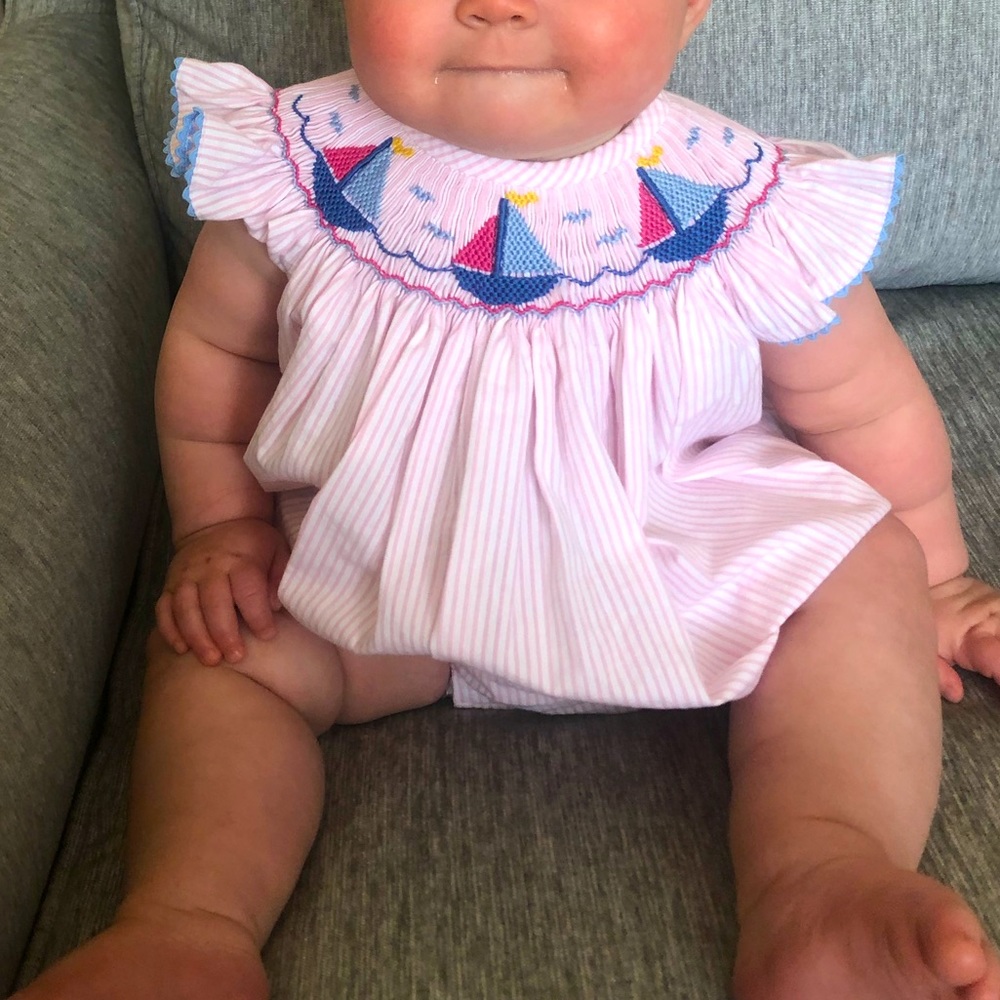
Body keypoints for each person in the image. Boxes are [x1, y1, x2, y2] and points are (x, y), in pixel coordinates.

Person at [14, 0, 1000, 997]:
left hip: (677, 556)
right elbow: (217, 359)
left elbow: (863, 406)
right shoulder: (303, 171)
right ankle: (185, 922)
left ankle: (818, 875)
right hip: (386, 570)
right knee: (221, 646)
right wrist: (220, 525)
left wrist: (936, 575)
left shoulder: (740, 204)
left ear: (690, 8)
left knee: (864, 564)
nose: (497, 6)